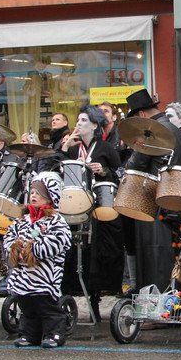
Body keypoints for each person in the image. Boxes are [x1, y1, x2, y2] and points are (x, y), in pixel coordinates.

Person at [124, 88, 181, 290]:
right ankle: (177, 299)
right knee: (173, 256)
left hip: (153, 202)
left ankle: (155, 304)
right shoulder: (175, 129)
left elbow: (134, 166)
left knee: (154, 259)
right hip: (176, 199)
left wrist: (135, 148)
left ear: (141, 114)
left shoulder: (151, 131)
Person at [56, 105, 123, 297]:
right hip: (74, 203)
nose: (79, 123)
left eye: (84, 120)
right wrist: (65, 147)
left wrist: (104, 171)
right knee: (74, 243)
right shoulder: (72, 149)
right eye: (78, 120)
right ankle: (72, 285)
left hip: (98, 202)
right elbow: (56, 170)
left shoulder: (106, 148)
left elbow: (120, 173)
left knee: (100, 243)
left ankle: (102, 286)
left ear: (95, 125)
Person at [5, 171, 72, 348]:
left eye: (39, 193)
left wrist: (34, 250)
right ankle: (29, 334)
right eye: (33, 192)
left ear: (50, 197)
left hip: (45, 275)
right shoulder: (23, 219)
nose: (33, 196)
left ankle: (55, 333)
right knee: (27, 306)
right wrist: (14, 248)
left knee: (46, 306)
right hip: (24, 275)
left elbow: (61, 240)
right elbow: (10, 235)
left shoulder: (56, 220)